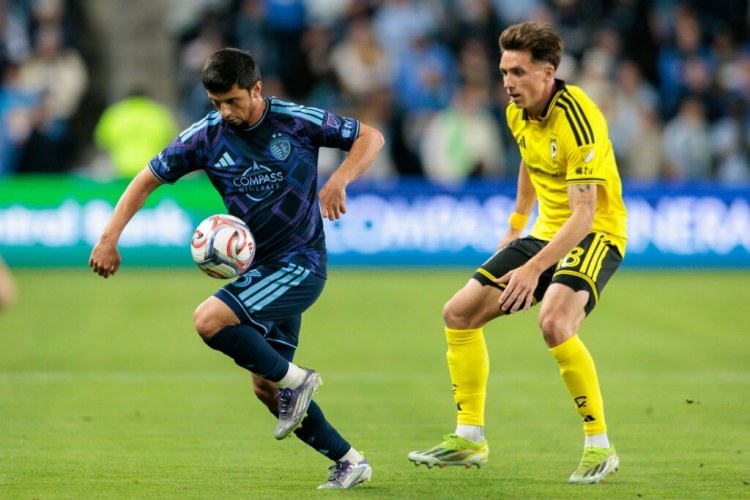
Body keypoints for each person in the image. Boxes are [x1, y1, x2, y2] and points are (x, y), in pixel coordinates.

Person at [89, 47, 384, 490]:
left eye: (233, 101)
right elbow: (146, 180)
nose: (225, 111)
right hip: (259, 271)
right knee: (266, 387)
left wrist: (339, 179)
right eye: (216, 103)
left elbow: (370, 137)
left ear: (256, 89)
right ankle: (349, 460)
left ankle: (299, 379)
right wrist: (108, 237)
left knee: (208, 320)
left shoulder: (295, 120)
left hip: (300, 263)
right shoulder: (206, 136)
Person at [408, 22, 628, 485]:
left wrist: (532, 269)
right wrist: (515, 226)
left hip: (595, 233)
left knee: (555, 322)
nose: (508, 82)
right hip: (546, 231)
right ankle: (469, 437)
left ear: (548, 73)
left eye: (519, 72)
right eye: (504, 71)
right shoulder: (517, 111)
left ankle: (599, 445)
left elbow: (584, 215)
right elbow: (530, 162)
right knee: (459, 313)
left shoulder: (579, 120)